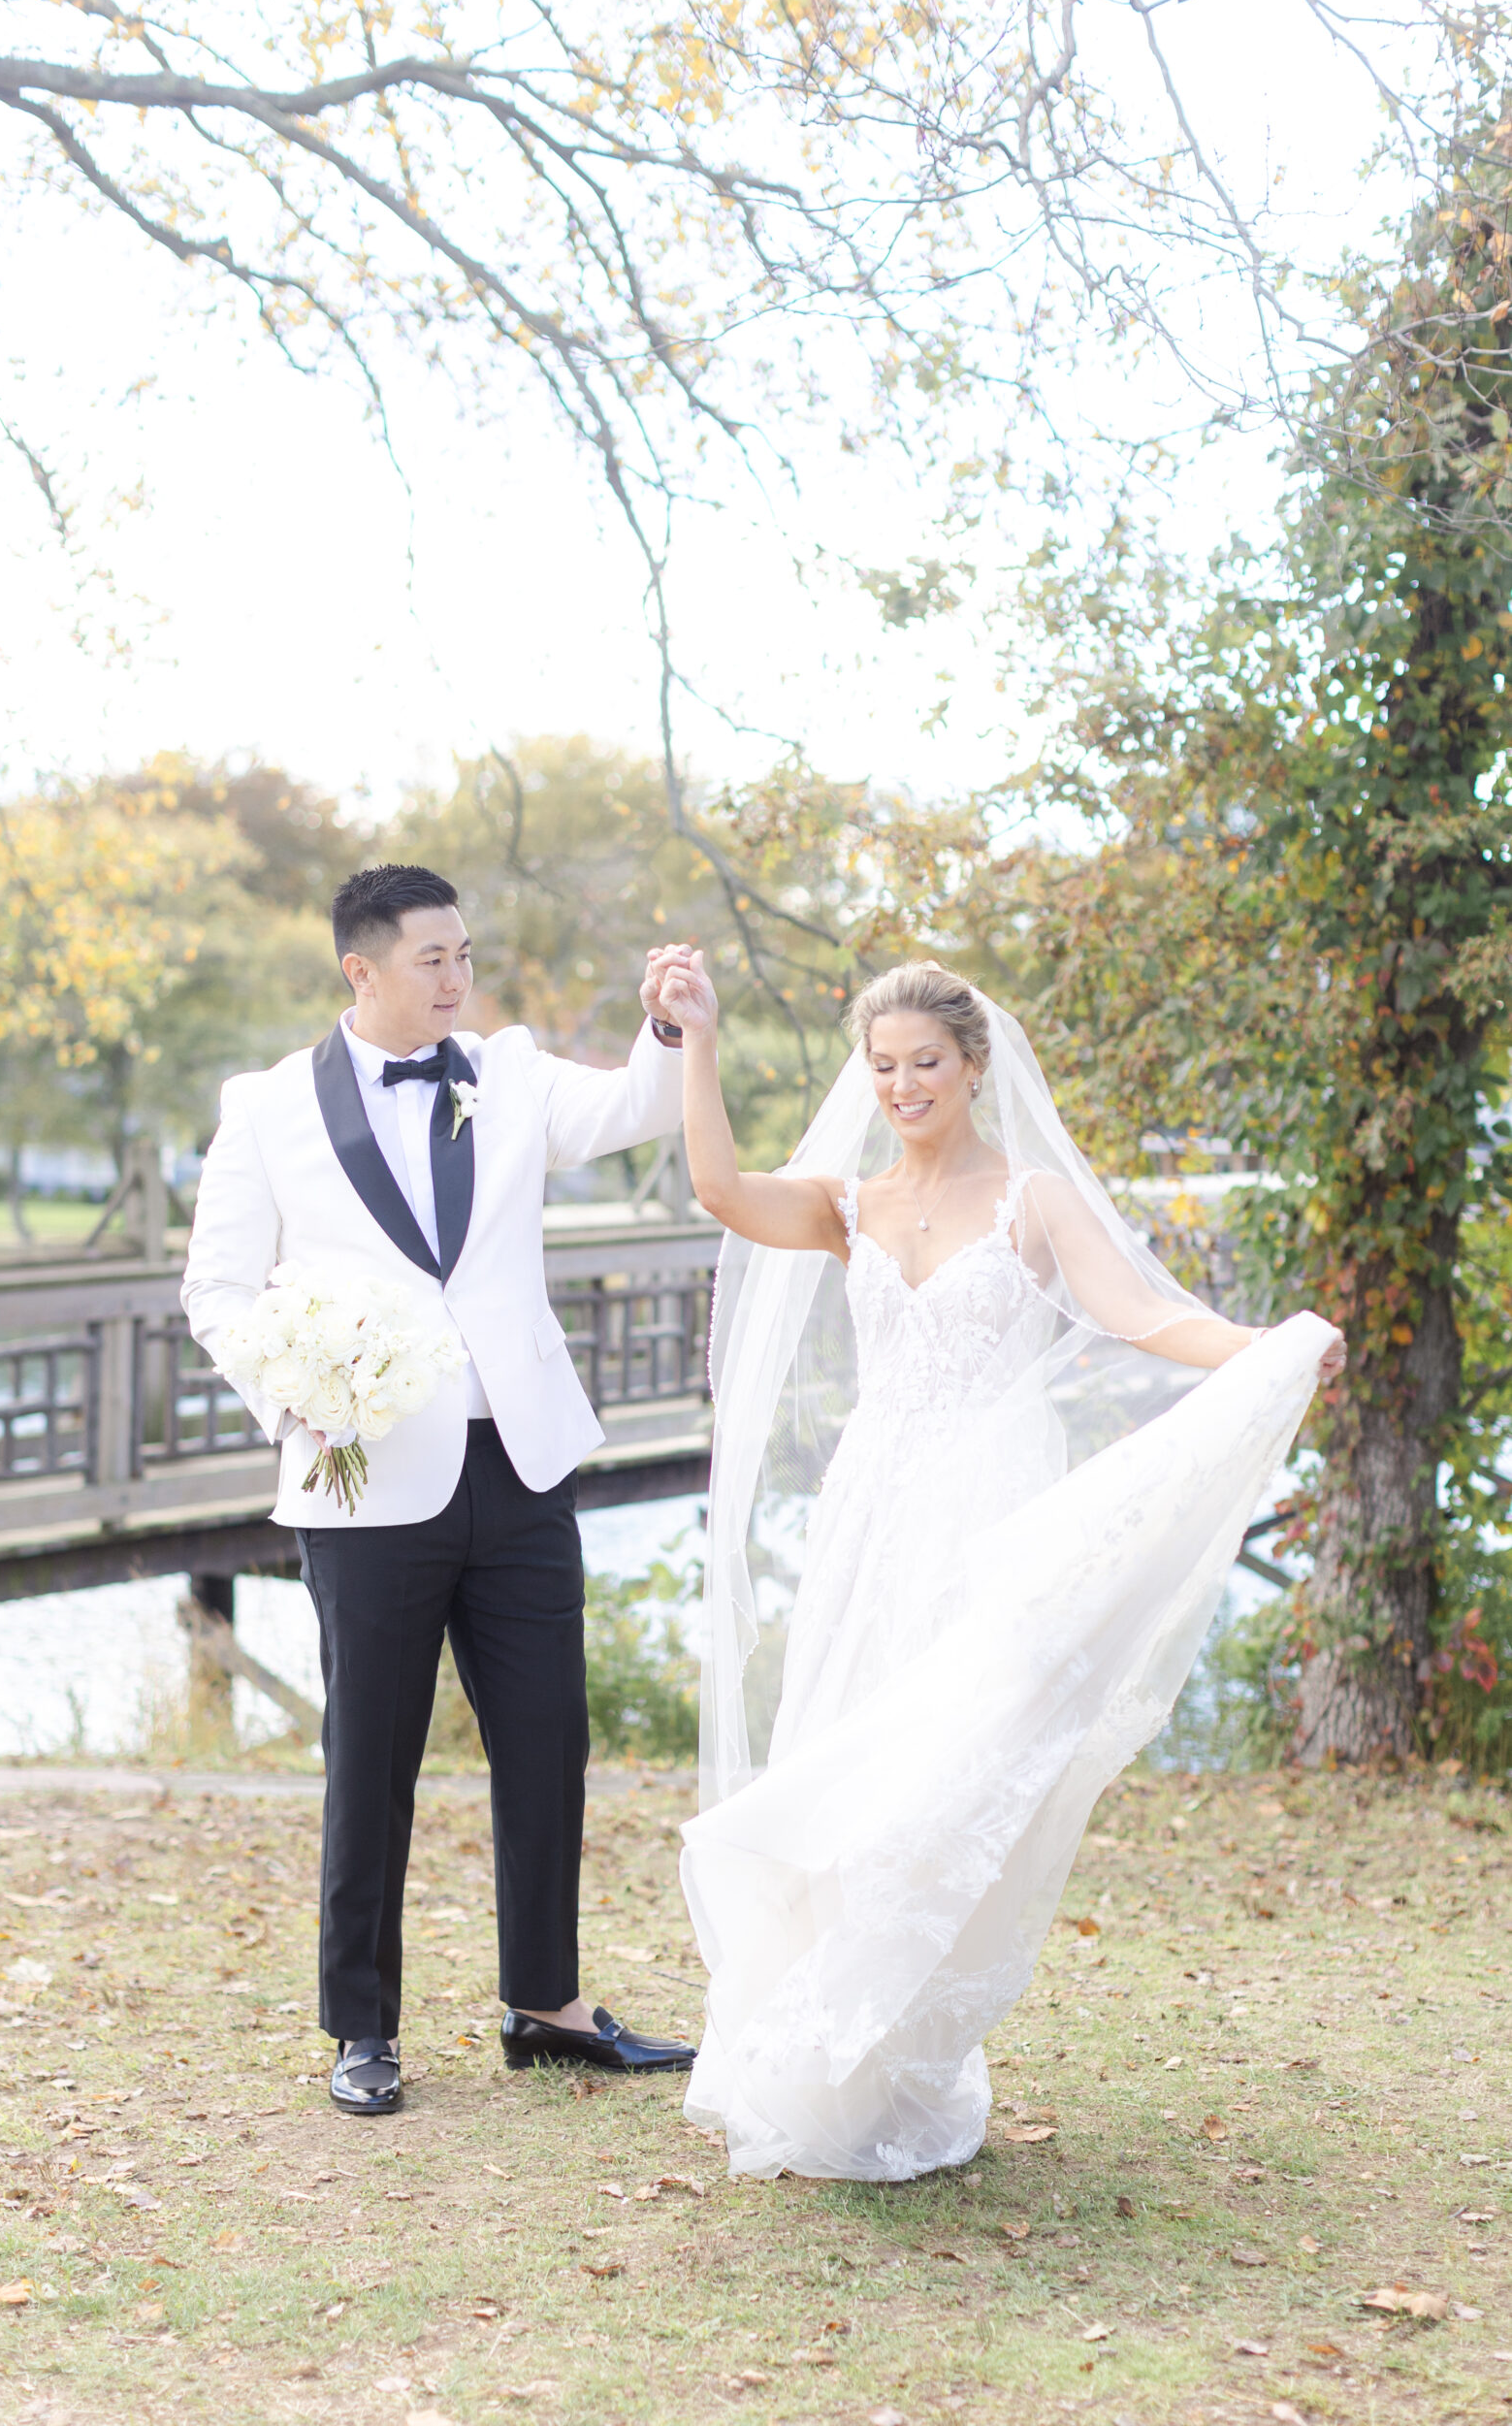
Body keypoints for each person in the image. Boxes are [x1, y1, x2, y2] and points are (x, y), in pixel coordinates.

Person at [655, 952, 1345, 2181]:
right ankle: (834, 2065)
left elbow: (1137, 1314)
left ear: (973, 1066)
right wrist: (697, 1036)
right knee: (857, 1768)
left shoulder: (1032, 1200)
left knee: (954, 1779)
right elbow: (717, 1185)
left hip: (989, 1516)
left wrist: (1258, 1348)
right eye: (884, 1066)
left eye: (927, 1061)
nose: (906, 1083)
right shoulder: (847, 1204)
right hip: (872, 1517)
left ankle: (908, 2052)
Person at [182, 863, 698, 2114]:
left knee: (548, 1744)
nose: (457, 979)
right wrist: (293, 1393)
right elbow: (216, 1290)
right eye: (432, 961)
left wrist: (671, 1021)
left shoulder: (509, 1071)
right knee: (372, 1758)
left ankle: (547, 2004)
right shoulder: (264, 1111)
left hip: (517, 1463)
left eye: (465, 955)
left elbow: (639, 1103)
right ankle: (362, 2026)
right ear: (361, 970)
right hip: (363, 1481)